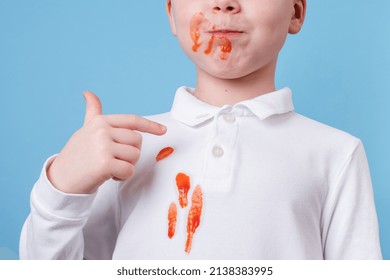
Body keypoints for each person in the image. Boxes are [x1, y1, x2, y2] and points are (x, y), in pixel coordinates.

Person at [20, 0, 382, 259]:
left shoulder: (336, 153)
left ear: (296, 11)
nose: (224, 4)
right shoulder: (123, 147)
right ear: (172, 15)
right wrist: (61, 189)